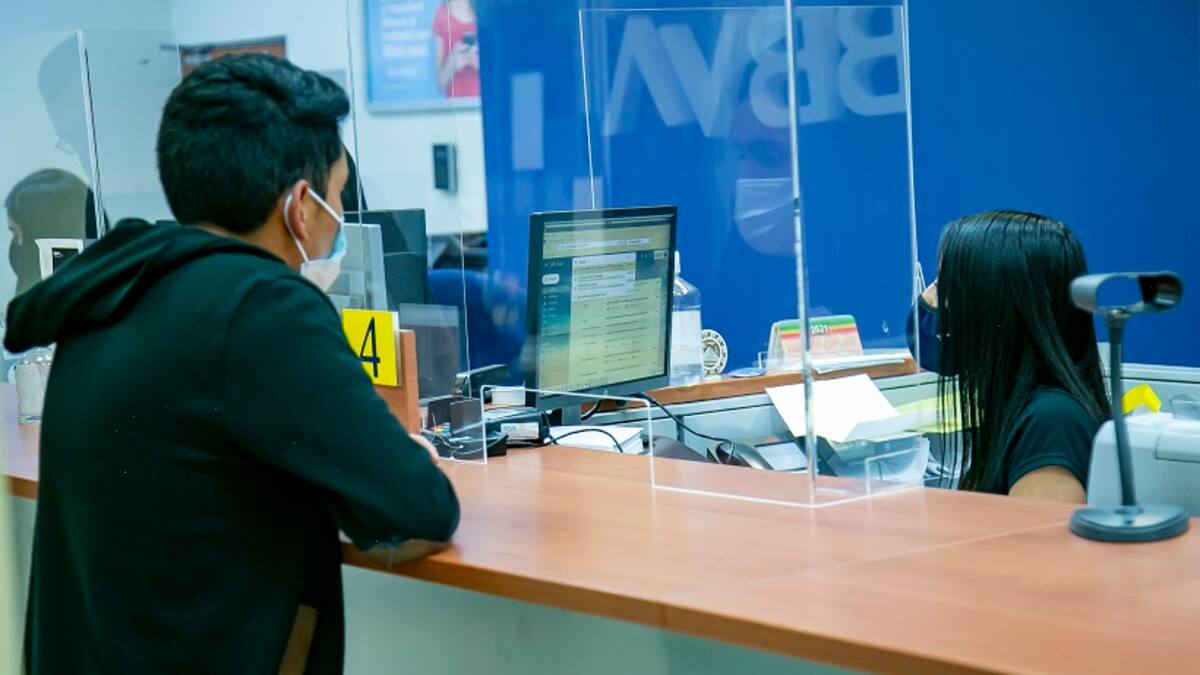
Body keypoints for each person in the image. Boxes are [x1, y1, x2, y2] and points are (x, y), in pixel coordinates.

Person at [5, 54, 460, 674]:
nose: (339, 217)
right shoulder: (262, 306)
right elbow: (419, 506)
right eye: (338, 196)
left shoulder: (117, 282)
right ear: (301, 206)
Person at [908, 211, 1109, 503]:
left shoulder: (1051, 423)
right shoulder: (1016, 408)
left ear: (995, 308)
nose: (929, 300)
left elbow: (1039, 533)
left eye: (944, 289)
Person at [433, 0, 480, 98]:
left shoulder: (487, 9)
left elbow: (503, 76)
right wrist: (452, 64)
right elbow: (440, 84)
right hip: (456, 104)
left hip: (487, 102)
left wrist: (483, 65)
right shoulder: (443, 12)